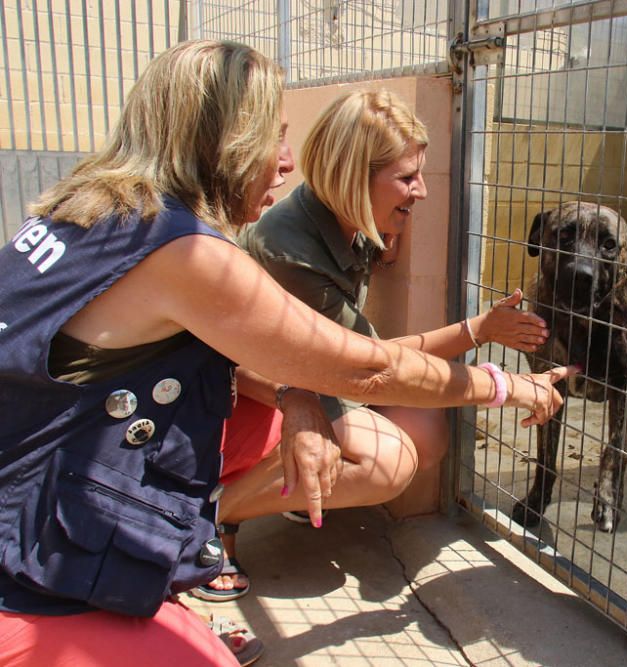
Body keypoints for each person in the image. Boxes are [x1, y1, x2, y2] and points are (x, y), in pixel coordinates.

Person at [0, 40, 570, 667]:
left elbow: (258, 351)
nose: (285, 161)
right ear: (223, 142)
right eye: (271, 137)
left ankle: (172, 573)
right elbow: (366, 366)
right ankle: (202, 540)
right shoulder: (183, 251)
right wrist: (506, 385)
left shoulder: (94, 212)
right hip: (25, 547)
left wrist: (300, 394)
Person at [190, 89, 551, 602]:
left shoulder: (352, 221)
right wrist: (504, 382)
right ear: (354, 177)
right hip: (246, 394)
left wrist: (479, 330)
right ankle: (213, 511)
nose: (422, 191)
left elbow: (370, 357)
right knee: (389, 461)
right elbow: (373, 368)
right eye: (407, 178)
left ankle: (286, 493)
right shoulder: (291, 251)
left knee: (426, 430)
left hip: (305, 373)